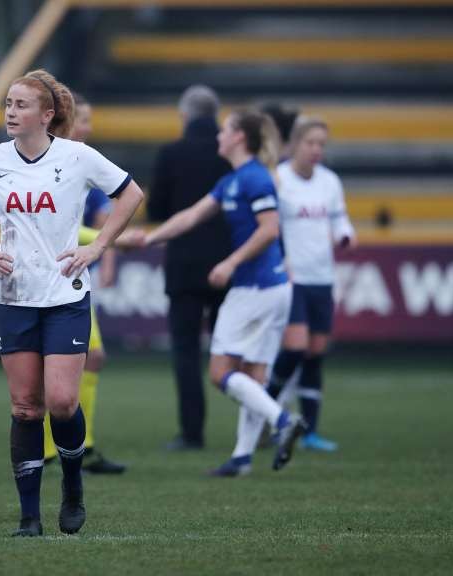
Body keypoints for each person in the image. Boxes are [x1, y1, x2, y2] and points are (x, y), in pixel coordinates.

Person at [0, 69, 144, 536]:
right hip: (14, 298)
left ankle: (72, 486)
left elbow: (131, 194)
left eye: (21, 105)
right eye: (8, 103)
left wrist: (97, 247)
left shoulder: (77, 157)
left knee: (62, 402)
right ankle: (29, 517)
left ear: (47, 115)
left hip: (65, 295)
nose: (10, 112)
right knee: (26, 408)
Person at [144, 108, 307, 478]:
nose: (218, 135)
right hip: (272, 290)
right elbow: (190, 216)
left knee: (220, 373)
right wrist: (150, 238)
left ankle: (281, 420)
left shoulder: (255, 180)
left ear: (238, 138)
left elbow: (269, 230)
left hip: (256, 289)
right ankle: (242, 457)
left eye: (225, 130)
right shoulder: (232, 180)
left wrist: (230, 263)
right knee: (253, 376)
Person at [42, 92, 126, 474]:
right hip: (50, 280)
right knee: (60, 367)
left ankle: (81, 445)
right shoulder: (54, 164)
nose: (89, 128)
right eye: (83, 120)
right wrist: (111, 242)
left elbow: (105, 215)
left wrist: (107, 249)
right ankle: (52, 448)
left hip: (75, 278)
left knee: (90, 360)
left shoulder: (86, 165)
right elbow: (68, 228)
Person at [148, 85, 231, 451]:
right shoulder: (231, 154)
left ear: (184, 115)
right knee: (236, 348)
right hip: (229, 264)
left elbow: (156, 211)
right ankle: (259, 423)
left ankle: (192, 433)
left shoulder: (171, 153)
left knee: (186, 351)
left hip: (183, 265)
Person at [267, 116, 355, 452]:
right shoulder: (280, 179)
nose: (317, 150)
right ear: (295, 144)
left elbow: (339, 218)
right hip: (293, 279)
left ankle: (310, 431)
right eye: (311, 143)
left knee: (316, 353)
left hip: (322, 277)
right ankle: (267, 414)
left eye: (322, 144)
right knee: (296, 347)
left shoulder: (329, 182)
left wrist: (346, 235)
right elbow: (269, 226)